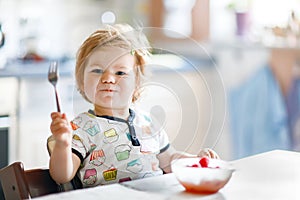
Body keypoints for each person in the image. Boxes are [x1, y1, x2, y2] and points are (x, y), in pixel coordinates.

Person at [49, 23, 219, 188]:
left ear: (137, 83)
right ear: (82, 80)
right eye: (97, 70)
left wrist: (196, 160)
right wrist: (63, 142)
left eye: (120, 72)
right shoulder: (80, 128)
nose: (108, 78)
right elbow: (62, 175)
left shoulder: (147, 123)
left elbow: (169, 161)